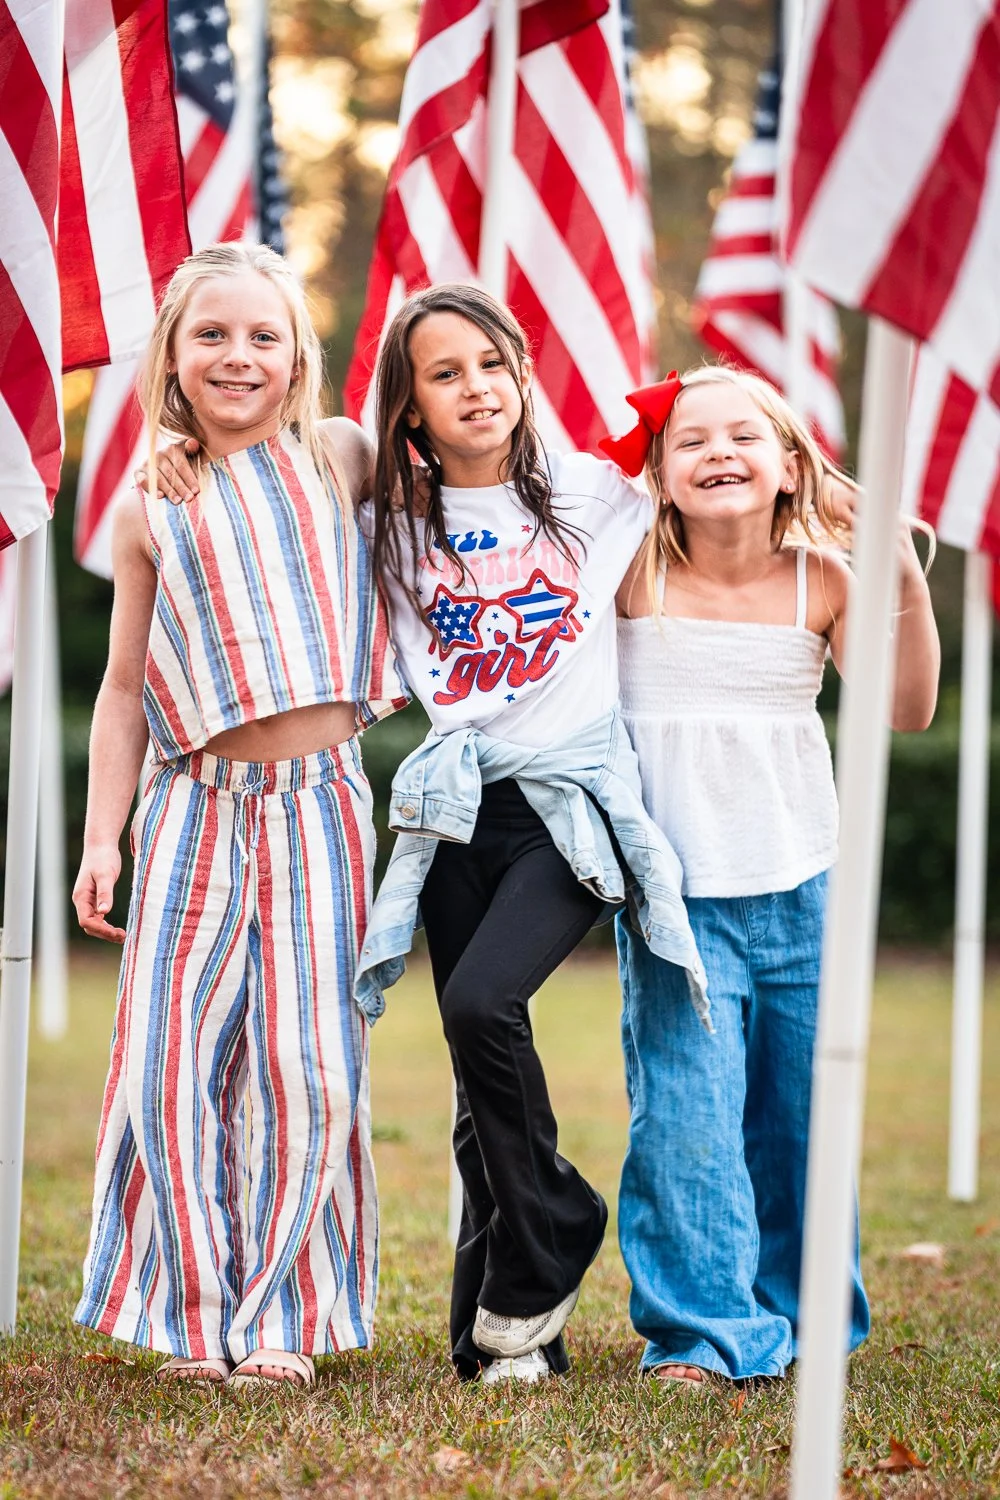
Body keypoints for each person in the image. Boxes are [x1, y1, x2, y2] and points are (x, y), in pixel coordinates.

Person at [353, 284, 708, 1385]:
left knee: (476, 1003)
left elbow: (705, 429)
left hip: (570, 808)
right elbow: (300, 452)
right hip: (460, 808)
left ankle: (556, 1220)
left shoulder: (594, 494)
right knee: (475, 1077)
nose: (476, 389)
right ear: (408, 409)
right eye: (444, 373)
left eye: (493, 364)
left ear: (520, 376)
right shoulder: (389, 529)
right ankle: (507, 1332)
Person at [72, 243, 407, 1388]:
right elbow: (124, 686)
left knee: (304, 1065)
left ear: (299, 353)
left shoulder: (341, 457)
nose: (237, 355)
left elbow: (468, 482)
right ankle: (191, 1313)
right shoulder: (150, 504)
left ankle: (281, 1320)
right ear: (172, 353)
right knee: (169, 1066)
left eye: (263, 335)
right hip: (190, 809)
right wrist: (100, 833)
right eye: (211, 334)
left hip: (318, 808)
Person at [603, 364, 940, 1387]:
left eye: (742, 436)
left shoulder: (824, 581)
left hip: (801, 887)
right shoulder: (628, 573)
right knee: (687, 1123)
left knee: (800, 1117)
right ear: (657, 477)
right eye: (690, 440)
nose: (717, 453)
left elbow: (906, 711)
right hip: (675, 903)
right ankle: (700, 1336)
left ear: (790, 466)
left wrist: (904, 581)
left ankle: (802, 1318)